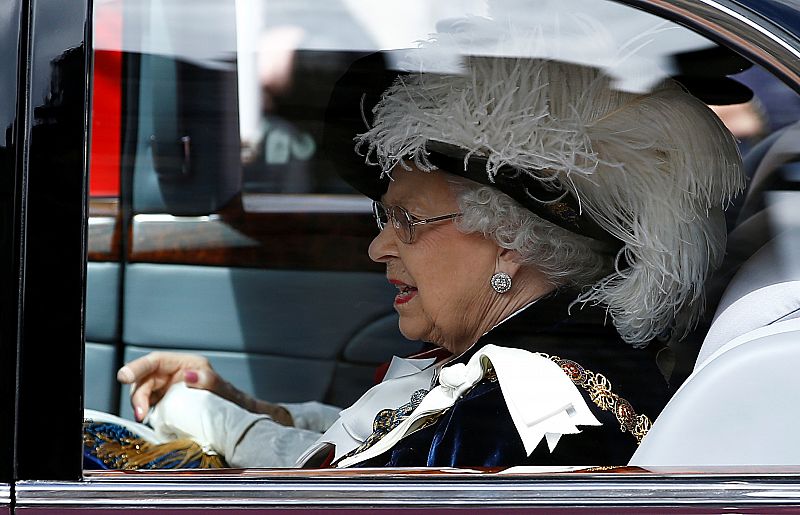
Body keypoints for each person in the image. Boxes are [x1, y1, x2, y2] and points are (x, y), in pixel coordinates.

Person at [110, 52, 744, 469]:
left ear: (511, 239)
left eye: (407, 220)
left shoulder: (525, 407)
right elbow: (380, 439)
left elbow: (334, 496)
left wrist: (206, 423)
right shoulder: (530, 366)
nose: (379, 245)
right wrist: (245, 407)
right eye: (384, 218)